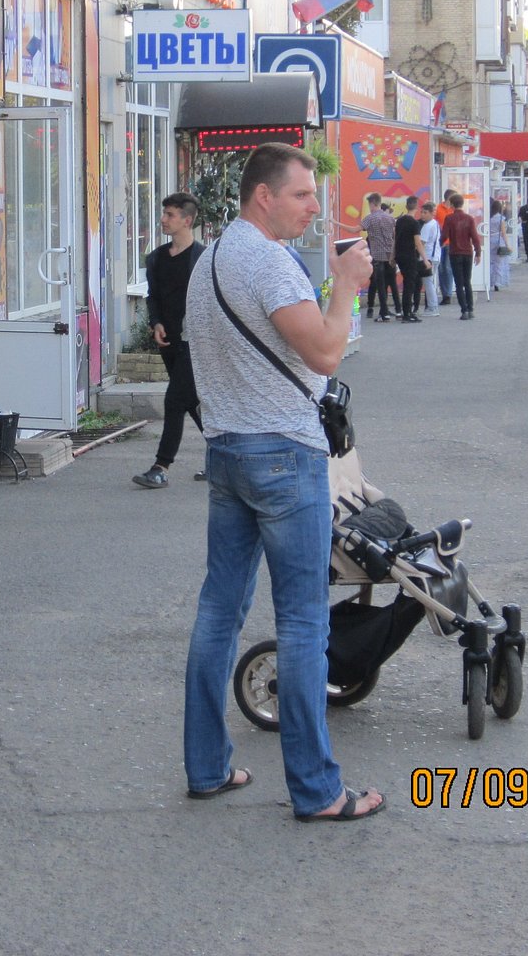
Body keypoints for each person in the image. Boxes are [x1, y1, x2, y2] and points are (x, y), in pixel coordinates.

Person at [182, 143, 384, 821]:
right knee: (303, 622)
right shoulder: (267, 262)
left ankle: (207, 766)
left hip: (227, 451)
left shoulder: (211, 259)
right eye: (301, 195)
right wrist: (349, 283)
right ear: (263, 196)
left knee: (219, 611)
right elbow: (326, 350)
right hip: (283, 455)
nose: (313, 207)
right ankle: (318, 790)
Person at [132, 192, 205, 488]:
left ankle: (161, 466)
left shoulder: (203, 258)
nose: (163, 219)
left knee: (175, 399)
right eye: (164, 214)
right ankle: (225, 455)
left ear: (187, 220)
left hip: (196, 342)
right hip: (169, 341)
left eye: (170, 215)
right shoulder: (157, 258)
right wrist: (156, 323)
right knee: (192, 401)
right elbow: (153, 298)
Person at [440, 194, 481, 320]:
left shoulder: (449, 218)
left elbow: (445, 235)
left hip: (455, 252)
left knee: (458, 283)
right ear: (462, 204)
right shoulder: (469, 218)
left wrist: (439, 244)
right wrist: (478, 252)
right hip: (467, 253)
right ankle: (471, 309)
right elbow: (475, 237)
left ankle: (464, 310)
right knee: (467, 282)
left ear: (452, 204)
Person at [360, 193, 398, 321]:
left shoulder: (369, 218)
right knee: (390, 283)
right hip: (389, 255)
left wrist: (335, 223)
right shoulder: (390, 218)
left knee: (379, 285)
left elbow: (355, 229)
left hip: (377, 256)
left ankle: (384, 313)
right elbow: (394, 236)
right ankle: (393, 310)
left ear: (372, 204)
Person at [393, 195, 426, 322]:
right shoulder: (414, 223)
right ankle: (407, 313)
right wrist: (425, 259)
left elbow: (395, 239)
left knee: (408, 282)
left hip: (400, 255)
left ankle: (407, 312)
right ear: (416, 207)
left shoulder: (400, 220)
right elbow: (418, 243)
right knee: (409, 285)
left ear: (406, 206)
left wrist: (392, 256)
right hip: (410, 256)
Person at [418, 202, 441, 316]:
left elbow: (421, 243)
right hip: (434, 256)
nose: (422, 215)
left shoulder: (427, 226)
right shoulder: (435, 223)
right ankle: (432, 307)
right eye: (421, 212)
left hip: (428, 257)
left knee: (428, 283)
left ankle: (432, 307)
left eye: (425, 212)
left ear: (432, 213)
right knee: (430, 282)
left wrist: (423, 258)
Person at [433, 190, 456, 304]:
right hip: (440, 242)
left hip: (451, 242)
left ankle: (448, 294)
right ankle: (444, 293)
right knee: (441, 268)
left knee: (448, 268)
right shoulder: (438, 209)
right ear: (449, 198)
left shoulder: (454, 210)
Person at [490, 200, 511, 292]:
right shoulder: (501, 218)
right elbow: (503, 233)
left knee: (491, 262)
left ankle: (489, 280)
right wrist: (508, 245)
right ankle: (497, 282)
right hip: (499, 241)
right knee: (499, 262)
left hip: (490, 240)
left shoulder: (489, 217)